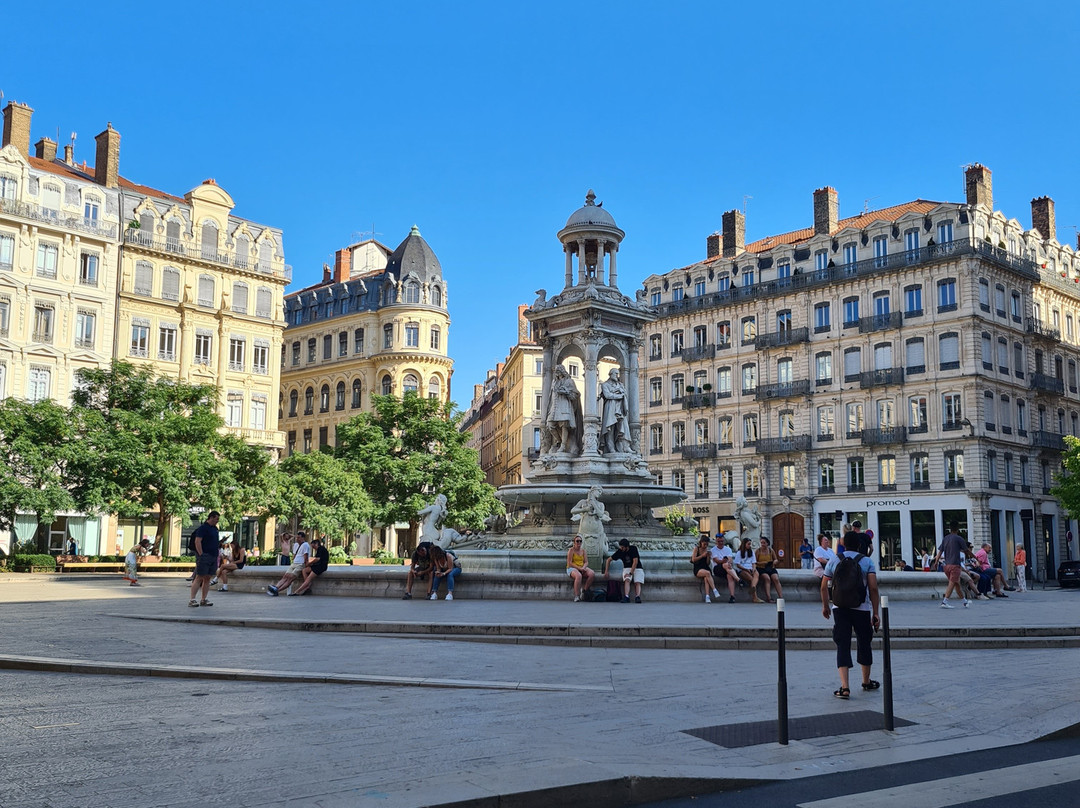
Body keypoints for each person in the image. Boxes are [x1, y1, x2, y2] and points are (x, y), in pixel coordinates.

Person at [821, 538, 881, 699]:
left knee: (842, 643)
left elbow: (823, 586)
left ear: (843, 545)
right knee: (864, 641)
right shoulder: (867, 561)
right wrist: (876, 612)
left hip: (840, 608)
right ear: (860, 545)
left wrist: (826, 606)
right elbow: (873, 588)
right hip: (861, 608)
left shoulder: (834, 560)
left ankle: (845, 687)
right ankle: (866, 681)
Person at [932, 522, 970, 608]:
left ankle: (964, 601)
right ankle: (944, 602)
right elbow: (967, 550)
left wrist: (936, 561)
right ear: (958, 529)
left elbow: (940, 551)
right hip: (955, 565)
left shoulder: (945, 538)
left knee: (956, 583)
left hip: (946, 565)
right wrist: (976, 558)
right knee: (952, 583)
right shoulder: (959, 538)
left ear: (950, 529)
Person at [188, 511, 220, 607]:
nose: (217, 521)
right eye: (216, 519)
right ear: (211, 517)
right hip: (205, 555)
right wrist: (201, 554)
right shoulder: (203, 528)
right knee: (199, 577)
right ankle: (192, 599)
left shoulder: (215, 529)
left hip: (213, 555)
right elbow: (198, 541)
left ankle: (204, 599)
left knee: (207, 578)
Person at [546, 366, 581, 454]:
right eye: (555, 371)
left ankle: (563, 446)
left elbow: (575, 395)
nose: (556, 373)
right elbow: (551, 395)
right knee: (550, 425)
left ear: (562, 371)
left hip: (565, 405)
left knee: (564, 425)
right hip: (554, 407)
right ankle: (560, 441)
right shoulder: (554, 381)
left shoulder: (569, 381)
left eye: (558, 371)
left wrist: (566, 392)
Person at [598, 368, 631, 454]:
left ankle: (623, 447)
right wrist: (618, 395)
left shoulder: (620, 385)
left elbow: (624, 394)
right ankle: (611, 448)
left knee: (622, 428)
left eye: (618, 374)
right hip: (610, 408)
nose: (617, 375)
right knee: (610, 428)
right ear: (611, 374)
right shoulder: (605, 385)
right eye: (616, 374)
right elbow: (607, 395)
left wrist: (620, 393)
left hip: (619, 409)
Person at [267, 532, 310, 596]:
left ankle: (277, 590)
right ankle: (276, 587)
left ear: (303, 538)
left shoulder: (306, 545)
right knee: (286, 576)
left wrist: (306, 564)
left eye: (299, 537)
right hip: (294, 563)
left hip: (300, 564)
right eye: (297, 537)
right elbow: (295, 554)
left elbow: (305, 556)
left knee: (290, 578)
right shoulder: (296, 545)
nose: (297, 539)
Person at [603, 538, 645, 603]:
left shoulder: (633, 549)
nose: (621, 548)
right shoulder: (620, 551)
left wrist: (631, 573)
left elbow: (635, 562)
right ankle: (626, 596)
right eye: (620, 547)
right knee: (627, 580)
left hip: (637, 567)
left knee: (637, 581)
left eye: (622, 547)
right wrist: (606, 571)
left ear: (627, 547)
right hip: (627, 567)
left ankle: (637, 596)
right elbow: (608, 560)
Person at [691, 535, 721, 603]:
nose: (705, 546)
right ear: (701, 542)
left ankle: (707, 597)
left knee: (706, 578)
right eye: (704, 544)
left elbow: (707, 563)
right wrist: (702, 556)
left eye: (707, 544)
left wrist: (708, 557)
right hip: (698, 568)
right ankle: (714, 590)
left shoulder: (707, 550)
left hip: (705, 567)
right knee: (707, 573)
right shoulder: (696, 548)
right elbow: (693, 559)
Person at [709, 534, 738, 603]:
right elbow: (717, 561)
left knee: (729, 576)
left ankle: (732, 596)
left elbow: (730, 559)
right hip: (717, 569)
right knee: (725, 565)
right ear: (716, 541)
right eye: (719, 541)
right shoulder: (713, 550)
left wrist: (729, 563)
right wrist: (724, 561)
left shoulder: (728, 549)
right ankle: (738, 579)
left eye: (722, 541)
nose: (721, 543)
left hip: (727, 568)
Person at [566, 535, 595, 602]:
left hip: (581, 567)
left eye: (580, 541)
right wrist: (579, 568)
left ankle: (584, 591)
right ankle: (577, 596)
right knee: (578, 576)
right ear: (574, 542)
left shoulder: (583, 551)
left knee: (592, 574)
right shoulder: (571, 550)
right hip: (572, 568)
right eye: (577, 541)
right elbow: (569, 563)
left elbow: (586, 562)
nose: (579, 542)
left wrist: (583, 567)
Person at [755, 537, 784, 603]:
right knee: (767, 578)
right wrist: (763, 563)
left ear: (767, 543)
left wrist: (775, 562)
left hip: (770, 567)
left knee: (776, 579)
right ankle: (769, 597)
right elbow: (755, 562)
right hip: (761, 568)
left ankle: (781, 596)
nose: (762, 544)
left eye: (764, 543)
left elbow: (775, 559)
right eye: (761, 543)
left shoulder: (771, 550)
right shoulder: (758, 551)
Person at [734, 538, 762, 603]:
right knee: (751, 579)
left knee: (756, 574)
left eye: (750, 544)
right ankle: (755, 597)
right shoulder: (739, 552)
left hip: (750, 568)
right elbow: (738, 565)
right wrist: (746, 569)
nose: (750, 546)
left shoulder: (751, 552)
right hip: (743, 569)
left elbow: (754, 563)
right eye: (748, 544)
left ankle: (753, 588)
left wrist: (754, 569)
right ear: (744, 544)